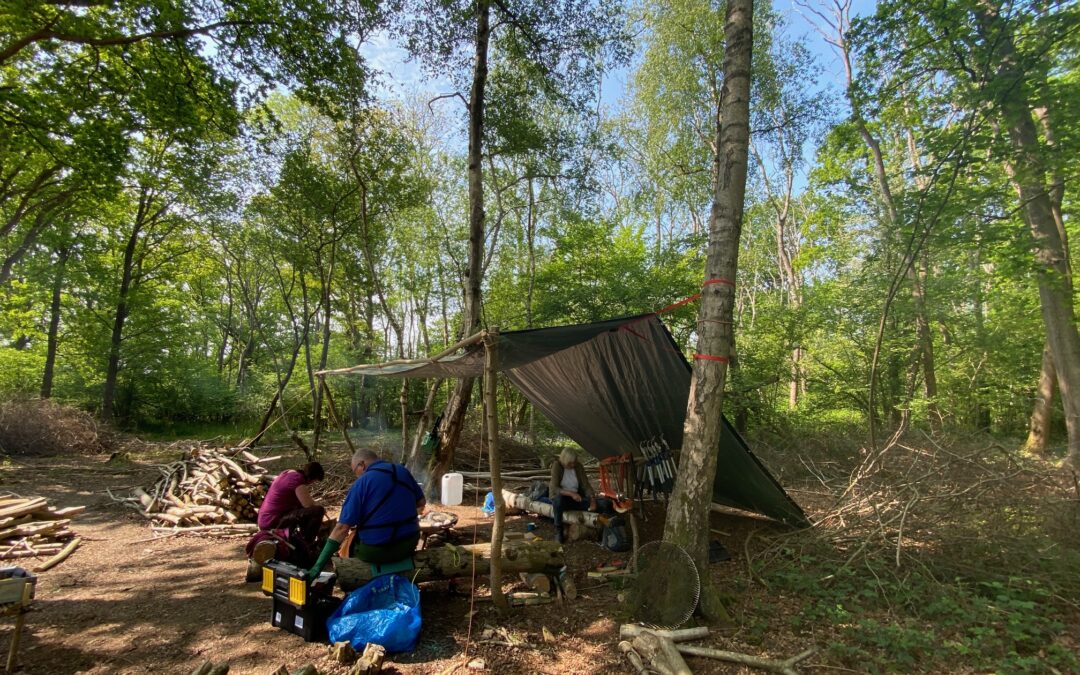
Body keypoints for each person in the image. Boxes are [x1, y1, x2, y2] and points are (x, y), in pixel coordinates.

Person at [308, 449, 426, 577]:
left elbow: (341, 528)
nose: (357, 476)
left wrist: (317, 567)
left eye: (355, 472)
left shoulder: (362, 483)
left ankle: (356, 577)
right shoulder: (402, 471)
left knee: (349, 541)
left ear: (362, 465)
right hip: (409, 544)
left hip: (377, 551)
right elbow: (421, 502)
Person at [549, 448, 597, 544]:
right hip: (560, 497)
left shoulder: (578, 467)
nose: (573, 465)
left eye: (574, 462)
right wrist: (571, 493)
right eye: (570, 463)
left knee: (600, 504)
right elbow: (554, 487)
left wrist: (592, 500)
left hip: (575, 498)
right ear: (564, 460)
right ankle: (558, 530)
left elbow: (586, 485)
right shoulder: (557, 466)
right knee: (558, 500)